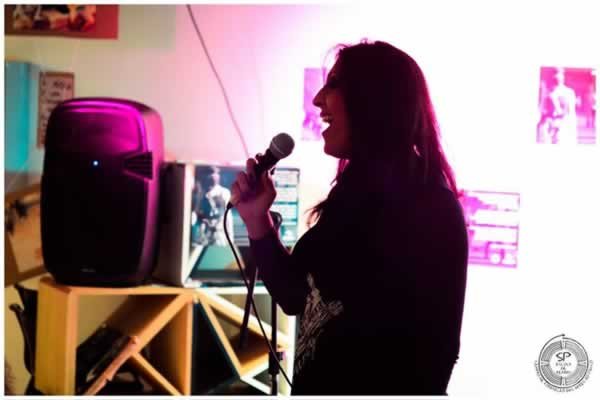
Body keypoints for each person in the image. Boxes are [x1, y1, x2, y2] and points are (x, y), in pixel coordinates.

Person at [231, 40, 469, 395]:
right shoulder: (353, 194)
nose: (318, 100)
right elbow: (296, 295)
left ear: (374, 99)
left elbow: (431, 358)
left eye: (333, 84)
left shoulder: (427, 206)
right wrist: (256, 219)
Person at [537, 68, 578, 145]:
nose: (557, 76)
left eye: (560, 74)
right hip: (548, 126)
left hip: (562, 126)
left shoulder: (568, 92)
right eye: (555, 74)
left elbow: (570, 112)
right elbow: (542, 110)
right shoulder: (547, 92)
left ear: (563, 76)